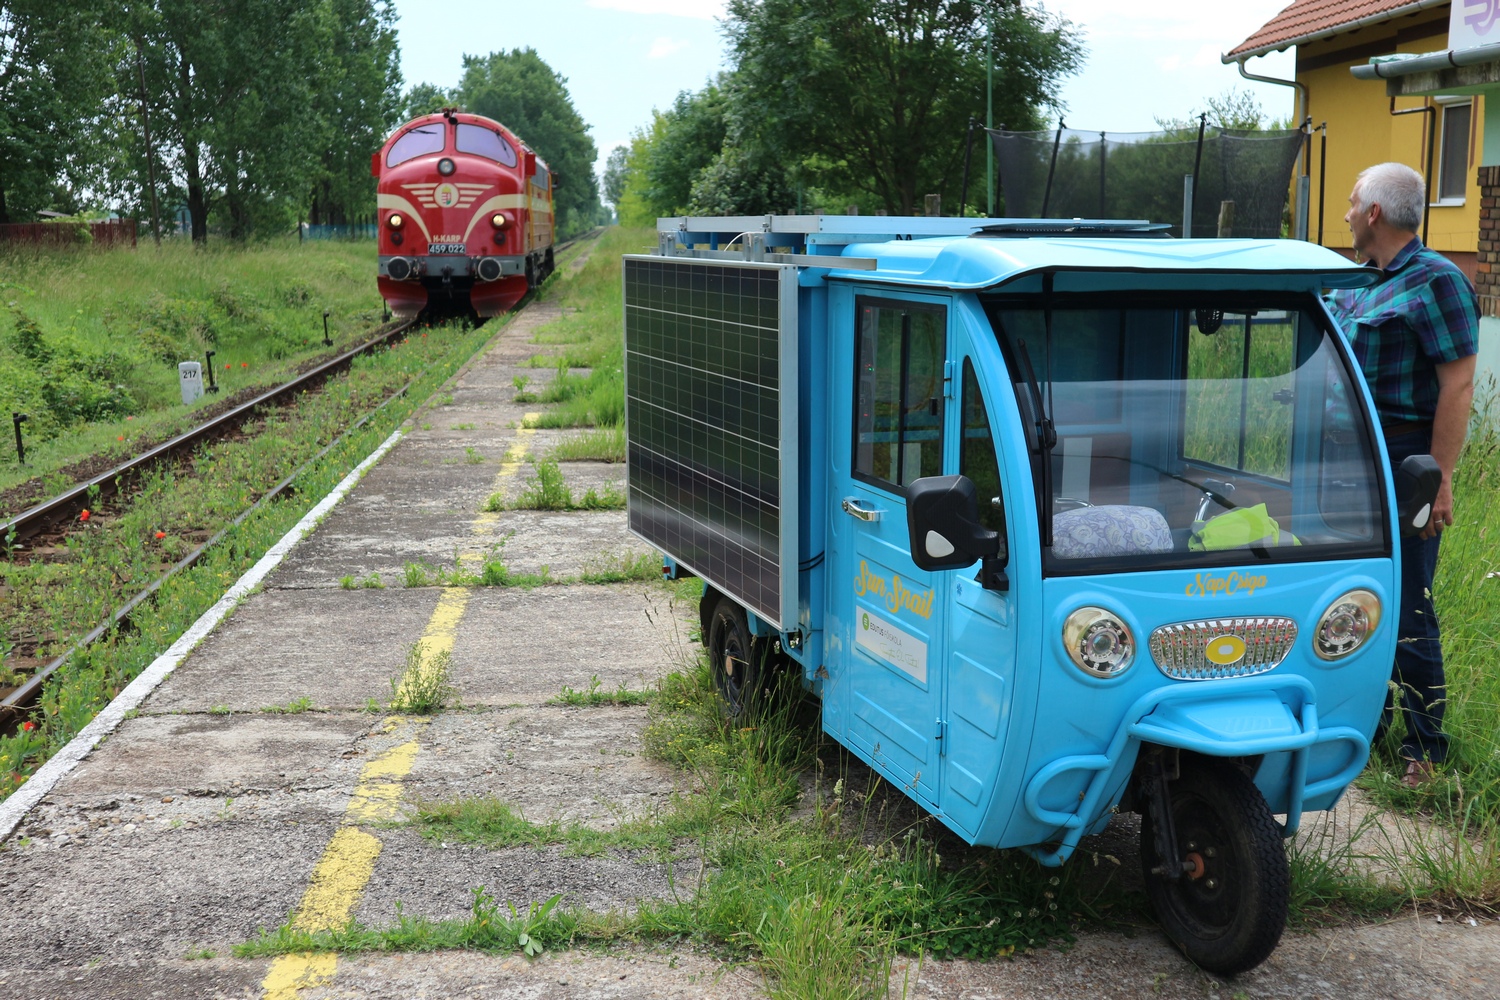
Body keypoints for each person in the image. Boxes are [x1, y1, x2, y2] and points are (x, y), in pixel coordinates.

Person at [1325, 162, 1478, 788]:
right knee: (1348, 597)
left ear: (1373, 215)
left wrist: (1438, 479)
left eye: (1352, 202)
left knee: (1408, 600)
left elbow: (1459, 384)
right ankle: (1364, 730)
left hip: (1404, 457)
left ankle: (1426, 751)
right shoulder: (1350, 280)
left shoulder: (1437, 282)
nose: (1344, 214)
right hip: (1342, 459)